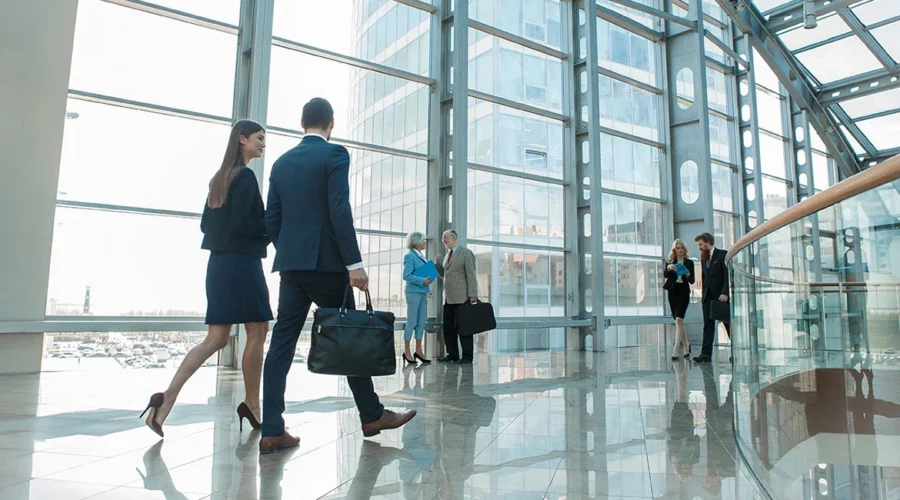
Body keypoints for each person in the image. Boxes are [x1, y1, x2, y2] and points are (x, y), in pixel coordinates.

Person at [259, 98, 416, 454]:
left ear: (302, 123)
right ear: (331, 123)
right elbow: (339, 208)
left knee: (281, 345)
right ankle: (372, 414)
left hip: (292, 267)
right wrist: (354, 264)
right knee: (349, 336)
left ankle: (272, 429)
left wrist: (293, 250)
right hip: (329, 266)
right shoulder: (334, 155)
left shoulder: (281, 163)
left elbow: (272, 219)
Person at [141, 120, 272, 437]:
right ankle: (253, 405)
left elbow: (205, 226)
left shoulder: (219, 179)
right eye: (259, 138)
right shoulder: (245, 177)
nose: (263, 144)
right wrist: (273, 226)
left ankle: (165, 400)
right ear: (242, 139)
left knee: (216, 339)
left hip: (218, 266)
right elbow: (244, 224)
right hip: (242, 265)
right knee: (257, 332)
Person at [434, 230, 479, 365]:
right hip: (448, 298)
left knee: (464, 328)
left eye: (445, 237)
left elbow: (471, 274)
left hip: (462, 298)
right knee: (448, 328)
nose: (443, 240)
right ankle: (452, 354)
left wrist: (473, 295)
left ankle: (467, 356)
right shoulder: (448, 255)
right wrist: (438, 264)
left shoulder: (465, 253)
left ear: (454, 237)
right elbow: (445, 277)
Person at [693, 233, 730, 364]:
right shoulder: (703, 258)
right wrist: (703, 297)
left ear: (708, 242)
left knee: (727, 325)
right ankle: (705, 354)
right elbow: (704, 278)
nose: (700, 247)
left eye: (701, 244)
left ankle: (736, 352)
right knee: (708, 326)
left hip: (721, 297)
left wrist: (725, 293)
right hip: (707, 298)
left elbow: (727, 275)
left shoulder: (722, 254)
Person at [402, 231, 433, 365]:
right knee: (412, 321)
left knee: (421, 321)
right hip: (413, 292)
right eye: (423, 241)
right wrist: (422, 280)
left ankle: (419, 350)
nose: (425, 243)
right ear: (417, 241)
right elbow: (406, 275)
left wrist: (428, 278)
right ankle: (407, 351)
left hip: (422, 292)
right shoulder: (410, 256)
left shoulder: (422, 256)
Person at [663, 239, 695, 361]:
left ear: (684, 249)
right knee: (678, 321)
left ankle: (676, 347)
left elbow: (692, 280)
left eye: (682, 248)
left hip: (683, 292)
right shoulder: (670, 261)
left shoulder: (689, 263)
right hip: (673, 291)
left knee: (679, 319)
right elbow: (665, 275)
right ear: (674, 250)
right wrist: (669, 268)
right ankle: (687, 345)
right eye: (678, 248)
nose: (680, 250)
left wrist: (687, 275)